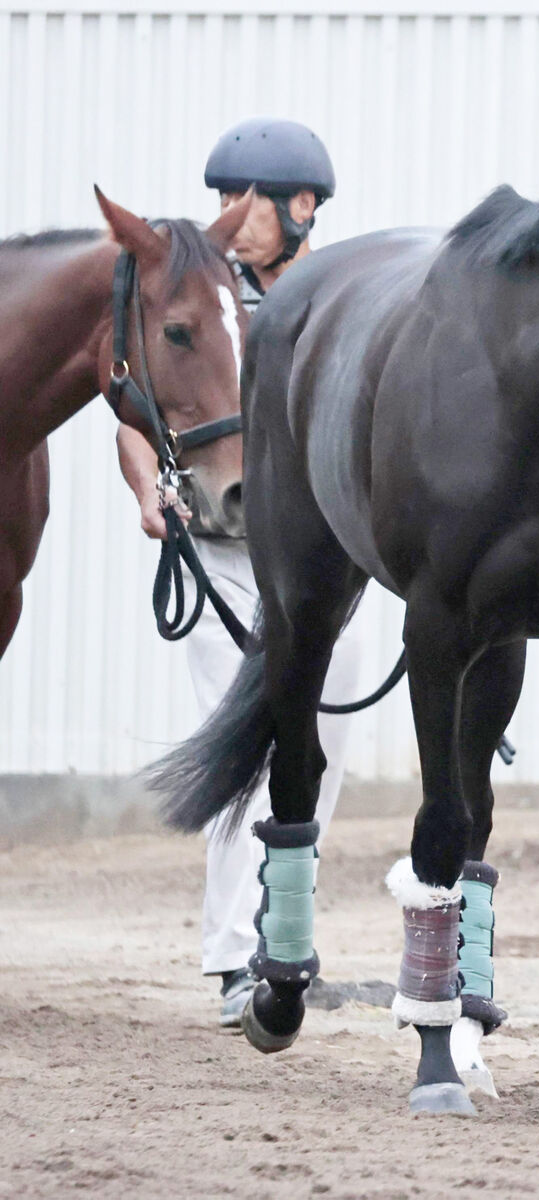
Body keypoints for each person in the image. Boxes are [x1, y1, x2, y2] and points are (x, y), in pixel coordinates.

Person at [117, 118, 363, 1027]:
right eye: (223, 197)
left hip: (332, 564)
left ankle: (280, 934)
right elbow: (134, 418)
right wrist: (149, 494)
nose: (231, 216)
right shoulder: (207, 299)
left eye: (249, 199)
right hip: (227, 558)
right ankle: (232, 958)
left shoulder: (347, 297)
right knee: (252, 746)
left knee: (326, 752)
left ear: (304, 208)